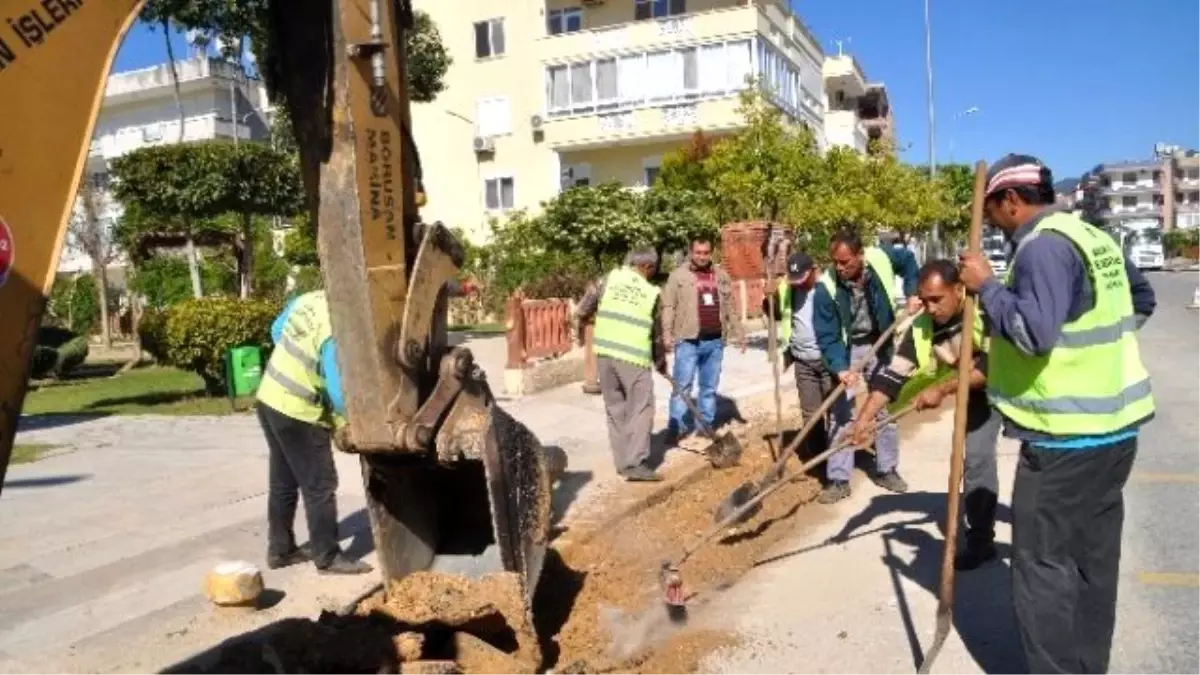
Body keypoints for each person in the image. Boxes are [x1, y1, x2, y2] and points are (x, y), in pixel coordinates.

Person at [958, 154, 1157, 675]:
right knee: (1093, 564)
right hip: (1113, 433)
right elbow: (1141, 299)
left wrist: (988, 288)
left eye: (991, 209)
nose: (993, 220)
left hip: (1064, 440)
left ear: (1010, 201)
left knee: (1043, 570)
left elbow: (1033, 334)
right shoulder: (1092, 236)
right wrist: (1096, 352)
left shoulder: (1043, 247)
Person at [848, 259, 1002, 570]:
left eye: (937, 299)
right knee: (977, 460)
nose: (930, 308)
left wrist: (942, 389)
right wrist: (862, 421)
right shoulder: (922, 326)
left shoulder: (985, 308)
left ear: (958, 290)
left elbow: (993, 367)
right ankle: (982, 541)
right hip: (975, 393)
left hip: (1010, 384)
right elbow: (891, 377)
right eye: (925, 299)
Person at [255, 289, 373, 575]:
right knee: (320, 484)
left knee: (283, 480)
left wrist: (300, 364)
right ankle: (328, 556)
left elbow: (276, 330)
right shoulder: (337, 327)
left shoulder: (309, 299)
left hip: (269, 397)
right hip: (298, 412)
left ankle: (280, 550)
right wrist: (348, 420)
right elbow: (337, 390)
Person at [813, 229, 922, 504]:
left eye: (845, 262)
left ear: (860, 255)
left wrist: (912, 292)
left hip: (880, 341)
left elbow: (909, 261)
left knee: (882, 406)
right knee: (841, 412)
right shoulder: (826, 288)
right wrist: (839, 367)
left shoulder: (881, 258)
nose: (839, 268)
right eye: (835, 262)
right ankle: (838, 479)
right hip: (847, 349)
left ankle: (887, 469)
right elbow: (827, 335)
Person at [575, 249, 667, 482]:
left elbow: (583, 309)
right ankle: (635, 462)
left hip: (605, 354)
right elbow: (655, 334)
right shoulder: (650, 292)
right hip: (633, 357)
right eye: (653, 269)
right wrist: (660, 362)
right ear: (647, 267)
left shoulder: (607, 280)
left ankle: (622, 462)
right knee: (641, 408)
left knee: (615, 409)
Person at [660, 236, 745, 441]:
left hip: (715, 341)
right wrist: (667, 333)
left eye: (706, 253)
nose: (702, 257)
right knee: (682, 386)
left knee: (709, 387)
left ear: (711, 253)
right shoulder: (677, 276)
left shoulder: (722, 276)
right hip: (688, 340)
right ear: (691, 252)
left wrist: (739, 333)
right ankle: (676, 426)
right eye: (698, 252)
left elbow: (729, 308)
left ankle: (705, 425)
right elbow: (668, 306)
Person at [764, 251, 831, 458]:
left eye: (802, 279)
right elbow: (775, 314)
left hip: (829, 361)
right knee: (811, 414)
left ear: (813, 271)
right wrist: (770, 297)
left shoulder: (829, 288)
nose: (799, 284)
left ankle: (839, 463)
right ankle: (819, 458)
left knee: (837, 413)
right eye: (795, 280)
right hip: (803, 361)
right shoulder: (789, 289)